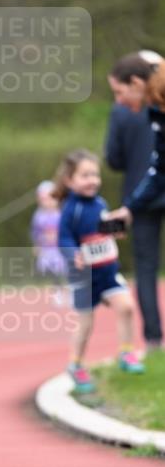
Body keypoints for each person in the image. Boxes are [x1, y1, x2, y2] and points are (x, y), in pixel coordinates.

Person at [56, 150, 144, 393]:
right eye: (85, 175)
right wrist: (73, 253)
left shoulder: (100, 203)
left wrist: (117, 229)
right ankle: (75, 364)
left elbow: (103, 229)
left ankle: (126, 353)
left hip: (107, 272)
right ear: (70, 181)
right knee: (85, 324)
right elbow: (63, 238)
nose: (92, 180)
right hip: (85, 278)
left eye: (95, 174)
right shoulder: (70, 210)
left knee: (126, 307)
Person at [107, 51, 165, 351]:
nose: (118, 101)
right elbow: (159, 168)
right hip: (146, 196)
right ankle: (155, 344)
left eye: (119, 92)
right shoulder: (155, 110)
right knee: (145, 267)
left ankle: (154, 339)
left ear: (136, 82)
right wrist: (130, 207)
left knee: (146, 266)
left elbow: (114, 159)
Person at [30, 179, 67, 279]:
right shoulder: (38, 216)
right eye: (44, 199)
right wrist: (37, 244)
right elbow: (35, 232)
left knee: (62, 270)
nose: (48, 202)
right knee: (49, 273)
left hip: (59, 250)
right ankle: (55, 290)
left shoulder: (61, 214)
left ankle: (64, 289)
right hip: (46, 250)